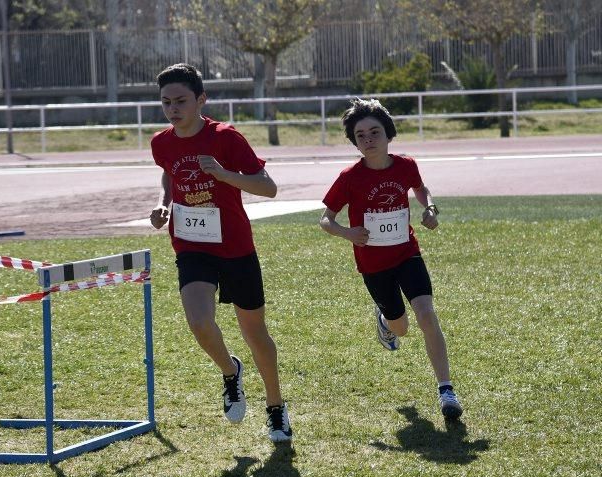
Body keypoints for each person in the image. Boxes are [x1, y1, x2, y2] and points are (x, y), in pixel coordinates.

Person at [149, 63, 292, 442]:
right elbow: (168, 171)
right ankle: (231, 373)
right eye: (166, 103)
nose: (173, 109)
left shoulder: (227, 138)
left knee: (255, 333)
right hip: (192, 244)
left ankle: (276, 408)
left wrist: (225, 175)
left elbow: (269, 187)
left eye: (181, 101)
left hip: (235, 246)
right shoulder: (160, 142)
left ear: (201, 100)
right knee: (198, 321)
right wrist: (164, 203)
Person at [319, 98, 463, 421]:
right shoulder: (349, 177)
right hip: (373, 265)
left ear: (388, 134)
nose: (368, 140)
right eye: (361, 136)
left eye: (374, 132)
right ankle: (386, 321)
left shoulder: (406, 165)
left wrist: (430, 209)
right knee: (403, 328)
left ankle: (446, 390)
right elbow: (325, 220)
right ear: (354, 142)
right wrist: (348, 233)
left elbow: (421, 189)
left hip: (406, 253)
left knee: (426, 314)